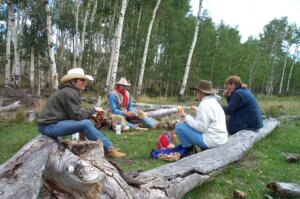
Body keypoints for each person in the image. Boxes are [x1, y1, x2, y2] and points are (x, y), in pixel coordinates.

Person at [37, 68, 126, 158]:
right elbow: (78, 116)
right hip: (49, 127)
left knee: (84, 123)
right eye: (82, 80)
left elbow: (75, 112)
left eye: (85, 80)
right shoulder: (70, 92)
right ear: (73, 81)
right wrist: (93, 109)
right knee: (85, 124)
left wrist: (91, 115)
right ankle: (109, 149)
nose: (85, 82)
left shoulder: (68, 91)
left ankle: (99, 146)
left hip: (50, 125)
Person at [175, 80, 228, 155]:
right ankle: (197, 149)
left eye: (197, 91)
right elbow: (210, 117)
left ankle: (189, 152)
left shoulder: (204, 105)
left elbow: (201, 127)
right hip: (221, 138)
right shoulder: (214, 102)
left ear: (200, 92)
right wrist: (197, 110)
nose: (196, 93)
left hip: (212, 141)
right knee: (186, 125)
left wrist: (185, 116)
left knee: (179, 126)